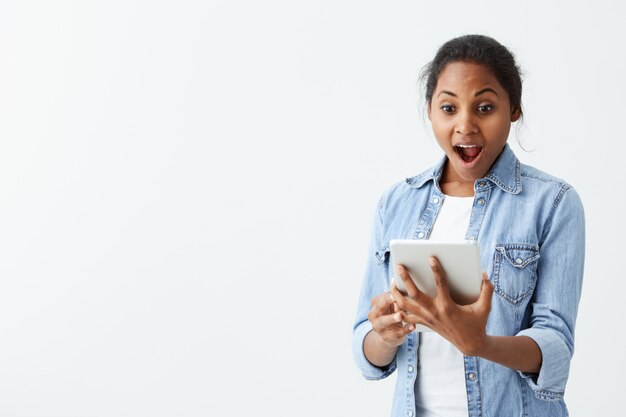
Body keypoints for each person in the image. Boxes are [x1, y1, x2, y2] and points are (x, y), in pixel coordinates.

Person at [352, 35, 585, 417]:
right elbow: (366, 352)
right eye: (448, 107)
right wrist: (383, 334)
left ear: (514, 110)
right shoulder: (395, 203)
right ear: (430, 111)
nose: (465, 125)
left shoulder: (554, 203)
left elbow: (556, 347)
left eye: (485, 107)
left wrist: (480, 343)